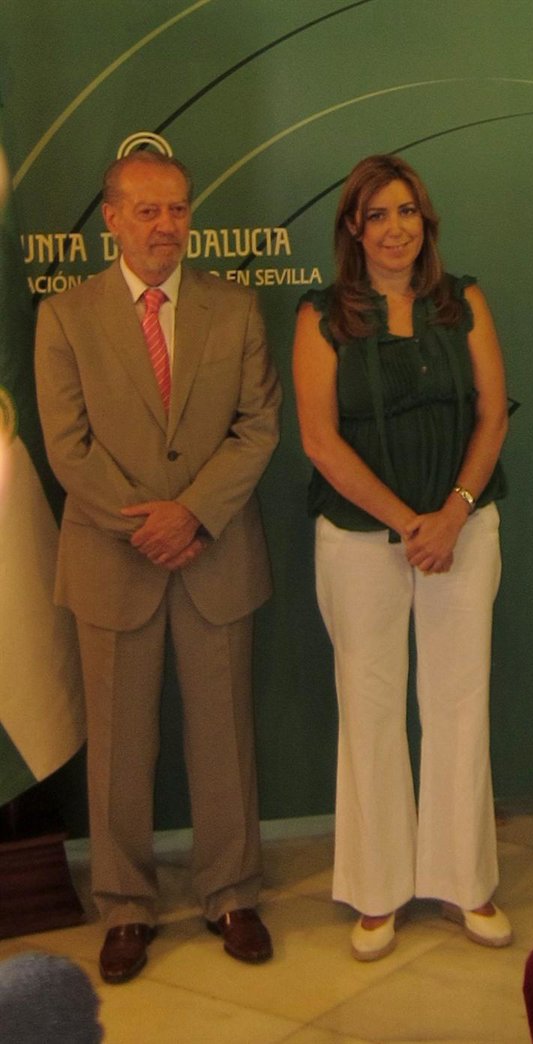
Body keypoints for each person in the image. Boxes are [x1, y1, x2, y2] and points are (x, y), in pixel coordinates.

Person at [35, 150, 280, 983]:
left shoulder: (233, 307)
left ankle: (232, 894)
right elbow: (67, 446)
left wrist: (194, 513)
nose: (165, 226)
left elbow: (258, 425)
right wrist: (148, 522)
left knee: (224, 738)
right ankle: (125, 907)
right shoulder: (65, 316)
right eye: (147, 210)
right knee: (117, 748)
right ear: (111, 219)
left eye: (177, 209)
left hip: (215, 552)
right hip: (115, 559)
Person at [292, 154, 511, 960]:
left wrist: (452, 515)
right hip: (361, 538)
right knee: (371, 706)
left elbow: (493, 413)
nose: (395, 229)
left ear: (427, 221)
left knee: (460, 700)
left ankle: (464, 881)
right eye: (378, 215)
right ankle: (378, 891)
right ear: (354, 228)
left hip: (464, 530)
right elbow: (320, 440)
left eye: (408, 212)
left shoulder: (464, 301)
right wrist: (410, 524)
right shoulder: (321, 316)